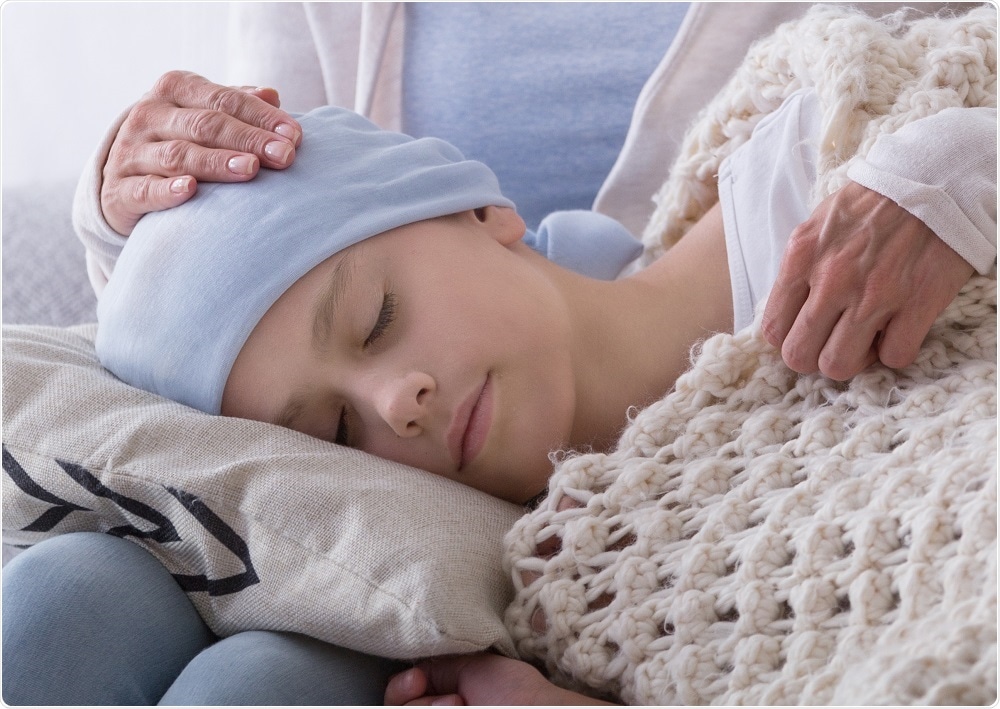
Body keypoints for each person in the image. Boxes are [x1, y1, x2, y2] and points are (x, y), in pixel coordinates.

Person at [6, 3, 993, 706]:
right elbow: (222, 285)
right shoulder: (571, 578)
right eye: (336, 429)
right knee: (72, 595)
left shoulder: (829, 159)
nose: (398, 404)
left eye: (378, 320)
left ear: (484, 206)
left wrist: (966, 166)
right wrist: (125, 213)